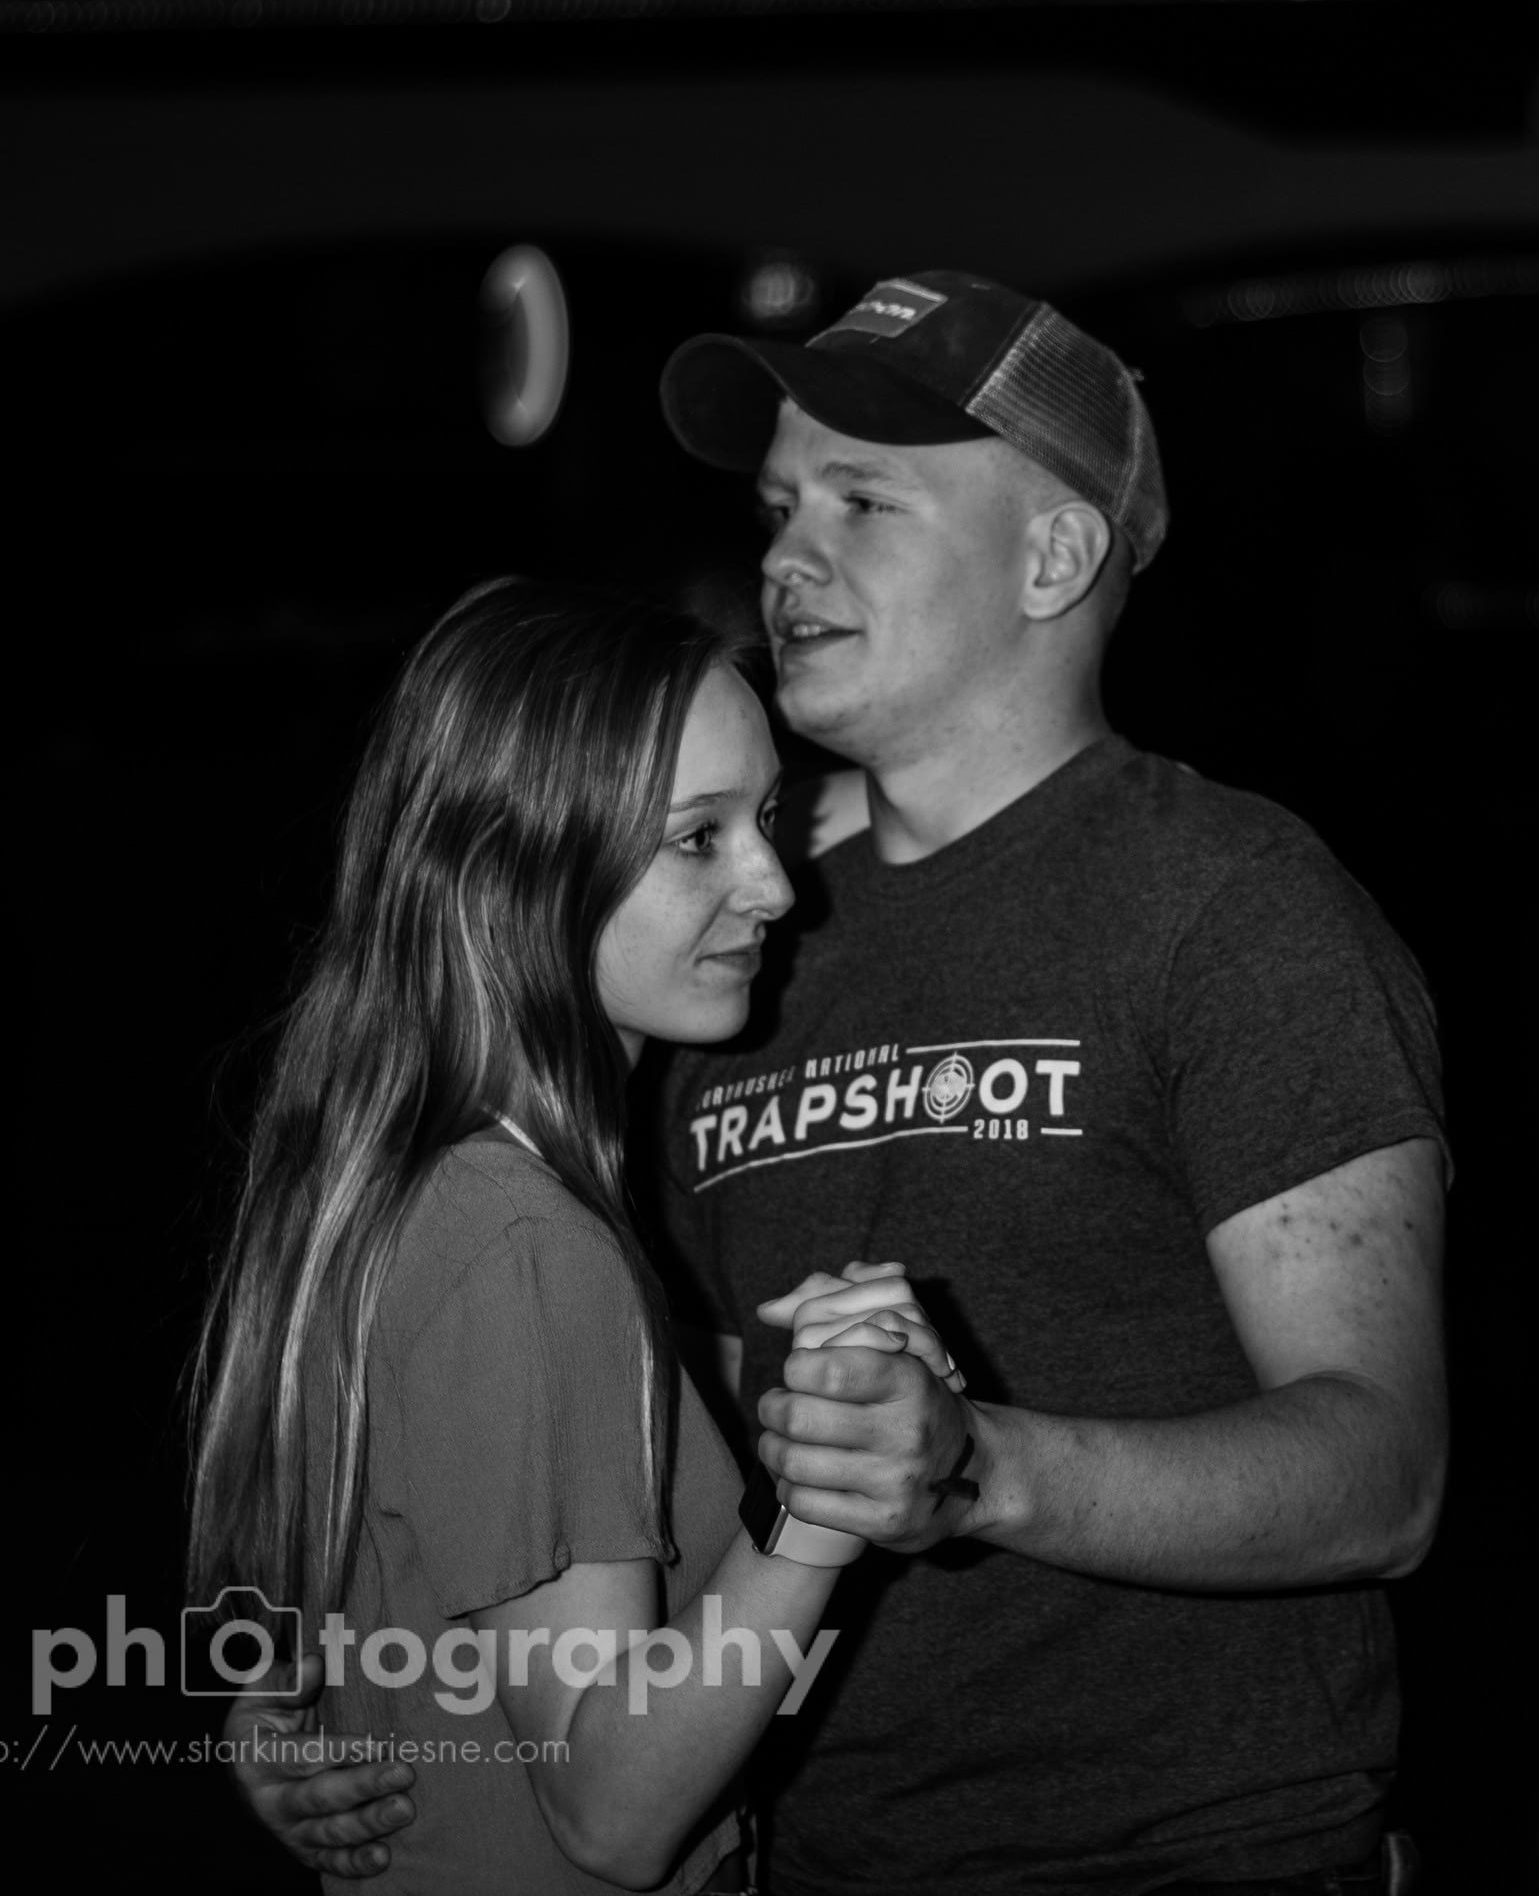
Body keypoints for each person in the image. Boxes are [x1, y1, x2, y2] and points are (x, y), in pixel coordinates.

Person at [252, 272, 1451, 1893]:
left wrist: (980, 1467)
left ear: (1053, 556)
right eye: (777, 507)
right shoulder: (717, 930)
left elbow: (1382, 1478)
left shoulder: (1231, 906)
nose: (784, 559)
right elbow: (597, 1412)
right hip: (801, 1849)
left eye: (861, 501)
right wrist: (366, 1669)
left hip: (1177, 1858)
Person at [194, 578, 964, 1890]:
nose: (777, 886)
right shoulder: (521, 1242)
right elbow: (611, 1815)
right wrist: (820, 1507)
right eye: (696, 837)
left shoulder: (404, 1178)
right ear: (511, 870)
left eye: (767, 818)